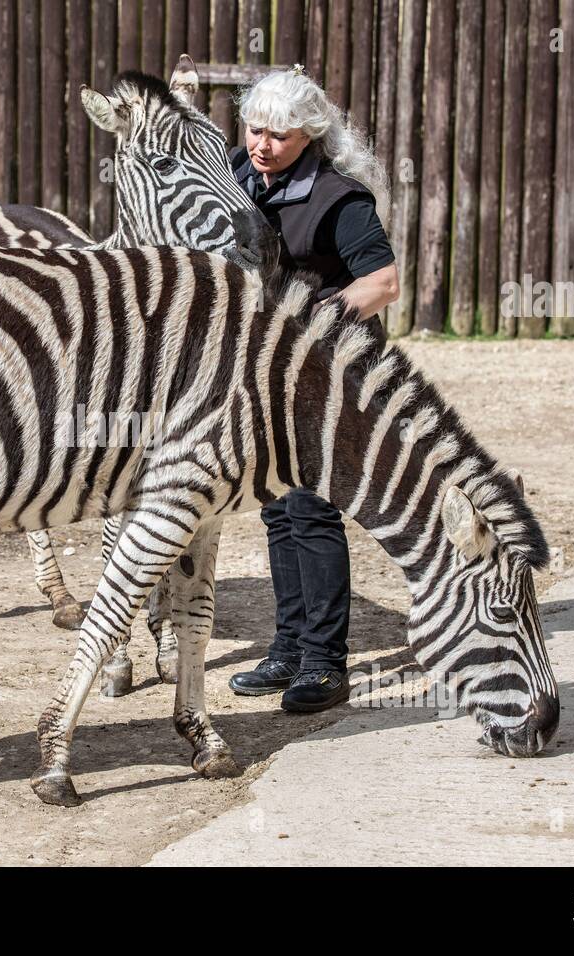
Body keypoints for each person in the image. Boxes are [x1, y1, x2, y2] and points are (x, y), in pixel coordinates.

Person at [225, 66, 400, 712]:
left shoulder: (338, 197)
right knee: (276, 506)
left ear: (309, 136)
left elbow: (383, 284)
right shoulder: (237, 176)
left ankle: (325, 664)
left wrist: (312, 322)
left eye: (278, 135)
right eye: (254, 129)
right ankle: (289, 648)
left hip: (330, 365)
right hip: (267, 368)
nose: (262, 144)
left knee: (310, 507)